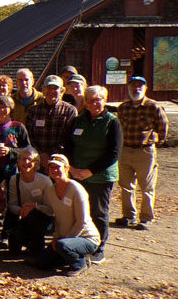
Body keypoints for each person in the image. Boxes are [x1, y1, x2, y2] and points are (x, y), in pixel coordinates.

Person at [66, 85, 121, 264]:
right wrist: (72, 169)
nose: (95, 103)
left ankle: (99, 248)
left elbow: (114, 153)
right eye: (91, 100)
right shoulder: (78, 121)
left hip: (100, 177)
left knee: (98, 213)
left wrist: (89, 171)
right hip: (77, 174)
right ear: (86, 103)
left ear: (104, 100)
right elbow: (68, 146)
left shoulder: (112, 122)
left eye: (99, 99)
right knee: (79, 211)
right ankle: (81, 243)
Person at [115, 76, 169, 231]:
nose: (136, 89)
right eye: (133, 86)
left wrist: (154, 142)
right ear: (128, 88)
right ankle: (128, 216)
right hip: (125, 150)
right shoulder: (123, 107)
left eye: (140, 86)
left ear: (145, 89)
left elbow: (163, 128)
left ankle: (145, 218)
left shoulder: (153, 107)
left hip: (144, 151)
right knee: (125, 186)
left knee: (146, 187)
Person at [38, 154, 99, 277]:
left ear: (66, 169)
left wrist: (63, 240)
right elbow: (57, 218)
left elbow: (82, 222)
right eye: (52, 167)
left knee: (63, 246)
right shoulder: (51, 190)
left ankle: (80, 262)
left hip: (86, 238)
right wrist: (56, 238)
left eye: (58, 167)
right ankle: (66, 257)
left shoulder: (77, 190)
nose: (54, 170)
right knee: (42, 264)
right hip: (64, 238)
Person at [5, 147, 53, 255]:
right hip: (24, 216)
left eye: (30, 160)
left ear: (36, 163)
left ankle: (38, 248)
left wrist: (35, 207)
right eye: (23, 159)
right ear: (18, 162)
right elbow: (12, 205)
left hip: (43, 218)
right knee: (14, 249)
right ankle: (29, 242)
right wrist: (22, 210)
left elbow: (51, 209)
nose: (26, 162)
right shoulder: (14, 179)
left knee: (33, 214)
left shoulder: (44, 181)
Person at [25, 75, 77, 162]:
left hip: (59, 159)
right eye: (49, 88)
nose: (52, 91)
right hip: (36, 158)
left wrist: (50, 155)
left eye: (55, 88)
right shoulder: (33, 110)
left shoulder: (70, 111)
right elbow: (29, 135)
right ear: (43, 90)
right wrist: (39, 154)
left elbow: (69, 137)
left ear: (61, 91)